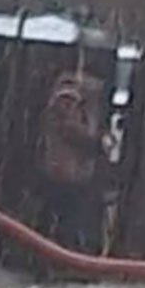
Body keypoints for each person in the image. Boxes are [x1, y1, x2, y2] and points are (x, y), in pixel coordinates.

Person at [37, 68, 108, 254]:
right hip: (65, 176)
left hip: (62, 174)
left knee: (60, 216)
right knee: (68, 218)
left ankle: (53, 250)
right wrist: (100, 142)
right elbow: (78, 135)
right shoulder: (64, 111)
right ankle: (62, 252)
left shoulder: (57, 111)